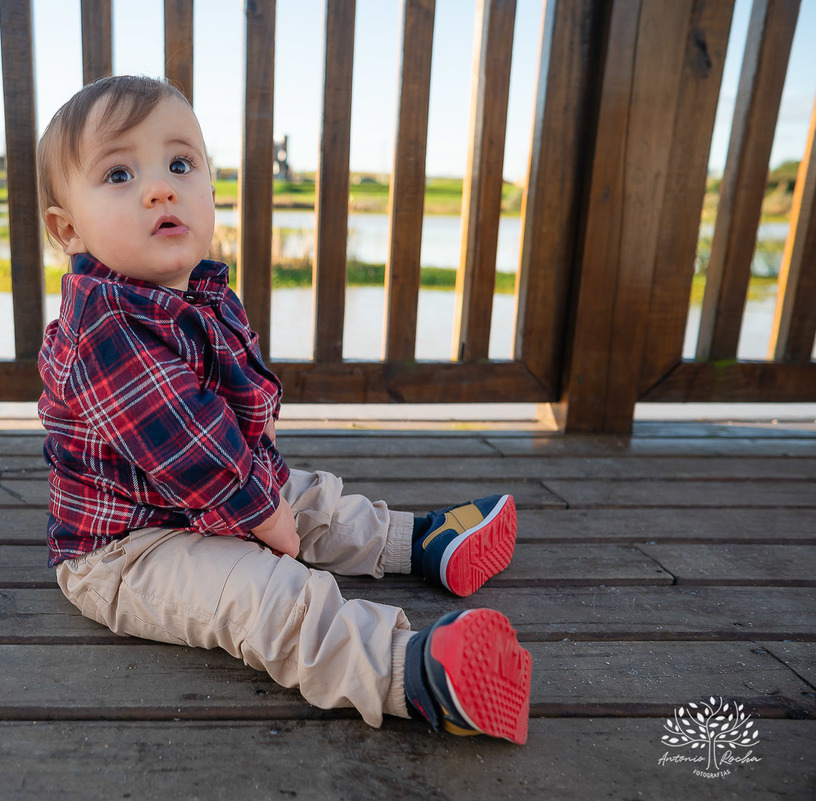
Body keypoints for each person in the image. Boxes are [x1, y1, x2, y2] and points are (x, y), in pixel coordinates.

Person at [36, 75, 532, 743]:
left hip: (203, 497)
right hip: (127, 549)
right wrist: (260, 511)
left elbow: (246, 409)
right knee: (258, 591)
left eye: (180, 164)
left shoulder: (201, 294)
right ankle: (411, 672)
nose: (160, 187)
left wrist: (267, 484)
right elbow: (188, 448)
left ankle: (423, 542)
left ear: (211, 189)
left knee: (307, 496)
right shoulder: (103, 325)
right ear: (69, 228)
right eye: (119, 174)